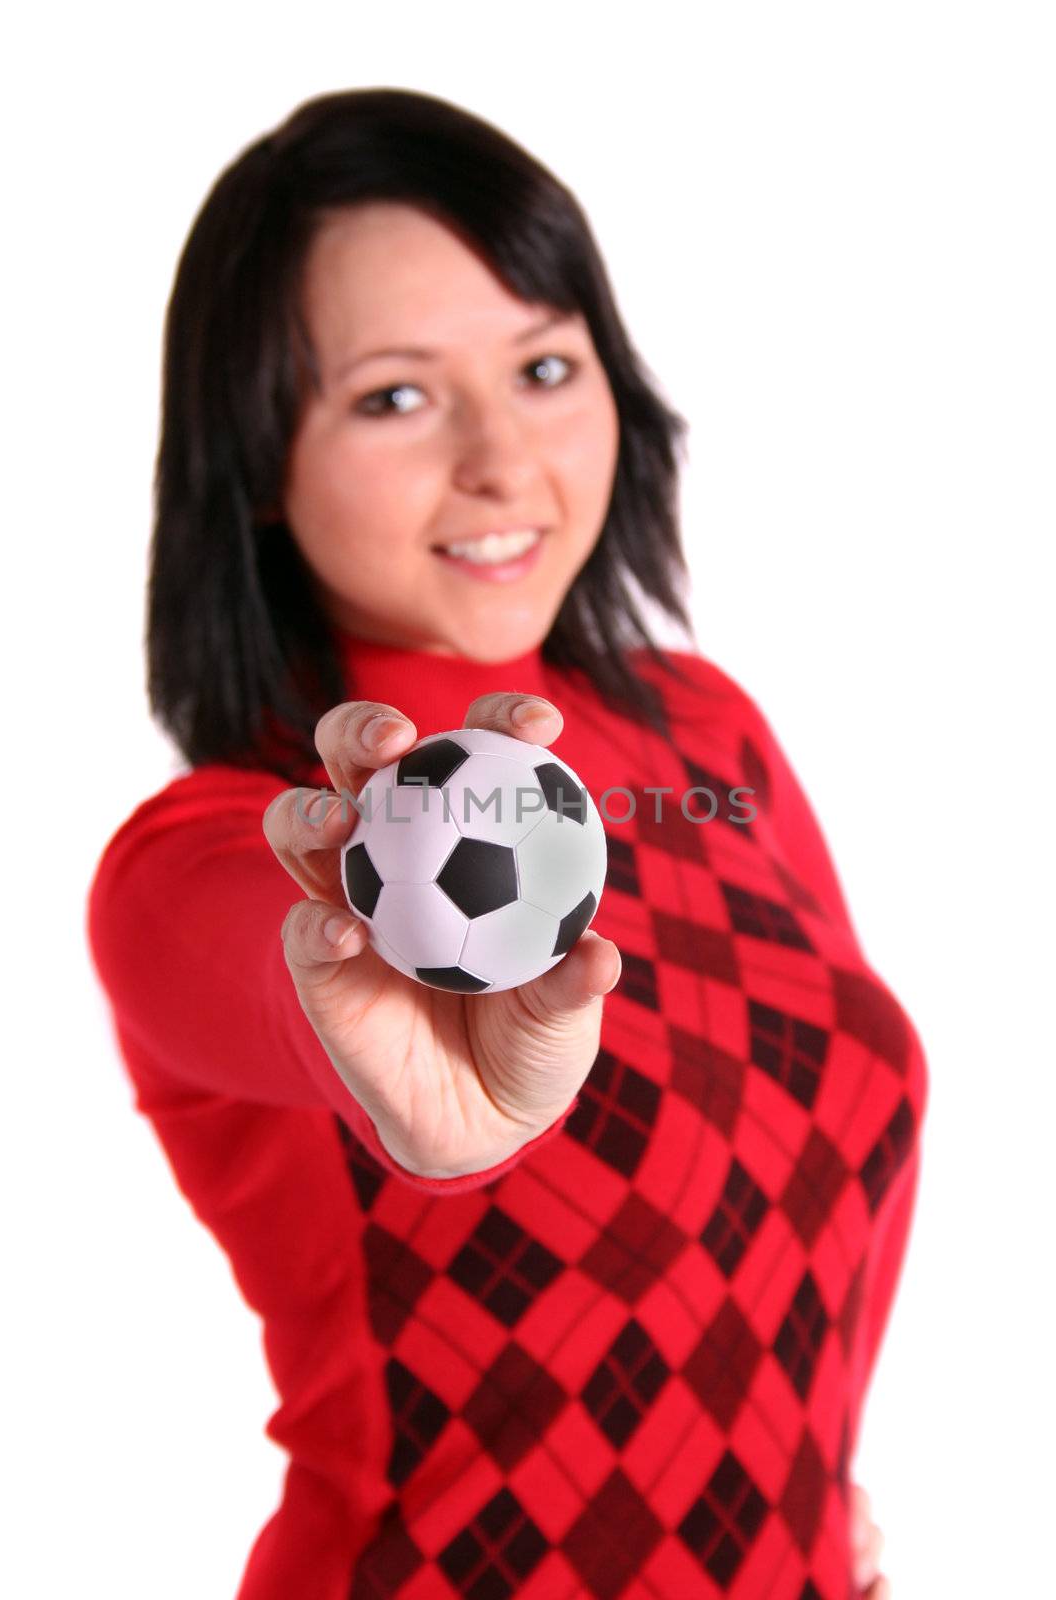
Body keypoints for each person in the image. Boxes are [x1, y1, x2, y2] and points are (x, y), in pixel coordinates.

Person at [86, 87, 924, 1600]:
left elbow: (832, 1134)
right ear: (258, 463)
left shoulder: (705, 744)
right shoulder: (202, 862)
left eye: (544, 365)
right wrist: (389, 1023)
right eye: (395, 396)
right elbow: (286, 973)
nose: (501, 462)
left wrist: (821, 1487)